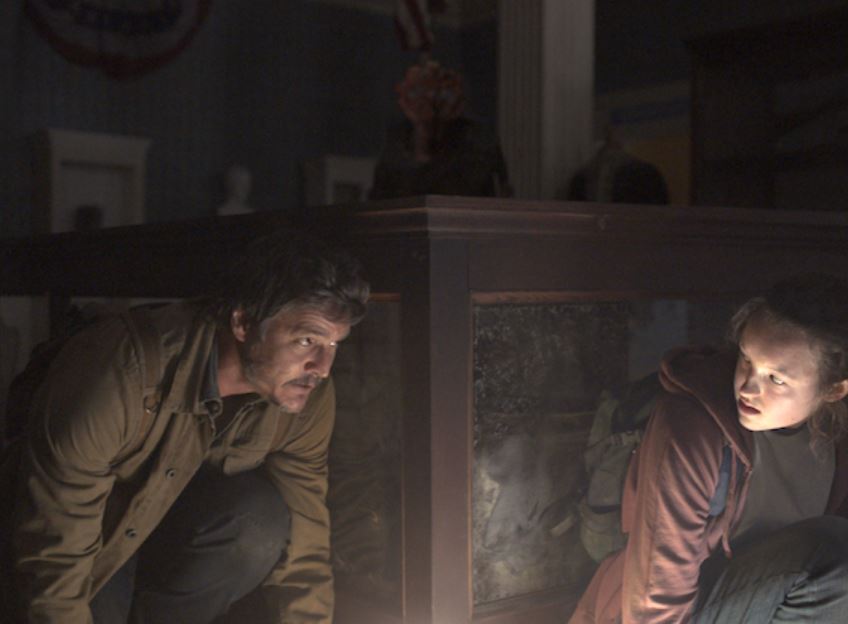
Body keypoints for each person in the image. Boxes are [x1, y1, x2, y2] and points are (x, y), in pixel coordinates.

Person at [0, 230, 369, 623]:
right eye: (306, 340)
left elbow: (306, 543)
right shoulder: (120, 369)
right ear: (243, 322)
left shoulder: (305, 393)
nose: (322, 368)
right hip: (87, 536)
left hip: (167, 538)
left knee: (258, 519)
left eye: (334, 344)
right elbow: (54, 551)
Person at [569, 274, 848, 624]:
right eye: (747, 359)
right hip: (681, 612)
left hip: (774, 602)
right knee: (838, 551)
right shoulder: (693, 428)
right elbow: (656, 593)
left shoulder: (845, 440)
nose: (747, 387)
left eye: (776, 379)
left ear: (834, 391)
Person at [369, 59, 512, 199]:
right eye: (419, 92)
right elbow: (381, 199)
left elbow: (496, 195)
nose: (432, 100)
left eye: (443, 93)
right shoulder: (397, 142)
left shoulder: (479, 142)